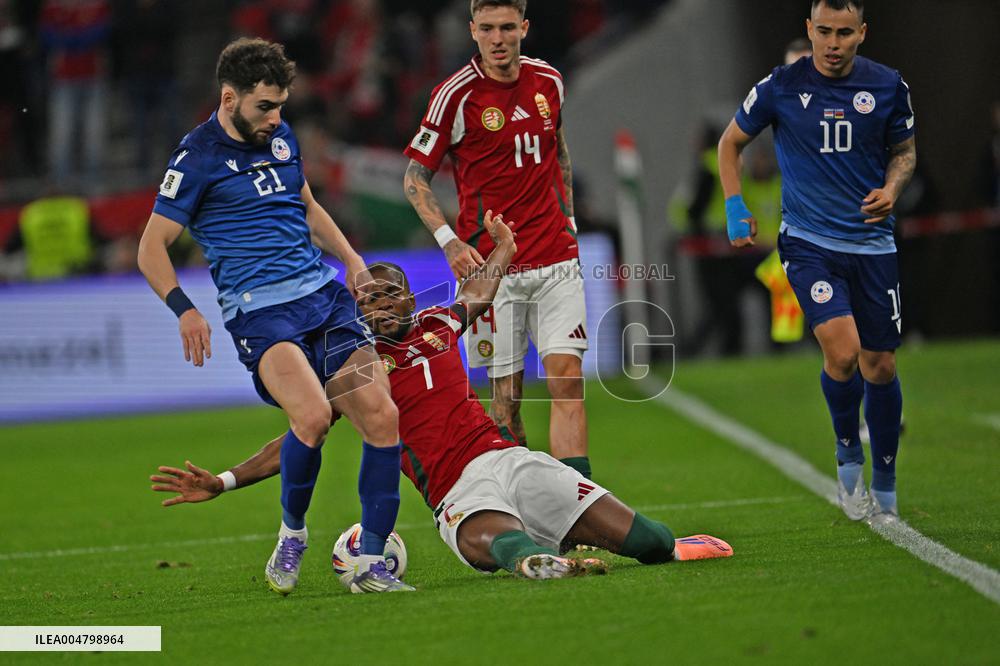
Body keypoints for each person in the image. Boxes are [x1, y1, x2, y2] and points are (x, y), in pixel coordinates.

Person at [150, 210, 734, 580]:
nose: (378, 304)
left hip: (511, 459)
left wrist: (503, 250)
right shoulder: (356, 369)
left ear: (409, 301)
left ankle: (664, 546)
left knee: (652, 543)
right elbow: (299, 435)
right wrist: (224, 482)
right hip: (458, 487)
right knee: (502, 545)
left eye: (389, 294)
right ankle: (540, 563)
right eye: (368, 299)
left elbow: (475, 295)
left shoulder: (436, 325)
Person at [137, 38, 412, 595]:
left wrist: (353, 260)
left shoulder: (281, 138)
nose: (276, 118)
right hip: (261, 314)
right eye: (265, 106)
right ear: (229, 97)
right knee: (311, 418)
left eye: (281, 105)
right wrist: (184, 310)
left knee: (382, 416)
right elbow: (151, 247)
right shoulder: (196, 159)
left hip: (324, 300)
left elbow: (306, 206)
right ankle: (293, 534)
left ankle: (371, 564)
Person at [717, 0, 916, 525]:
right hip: (808, 244)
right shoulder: (781, 85)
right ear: (809, 30)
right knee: (844, 351)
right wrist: (735, 207)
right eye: (823, 31)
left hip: (873, 246)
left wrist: (893, 187)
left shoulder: (888, 85)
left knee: (882, 364)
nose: (832, 43)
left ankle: (887, 482)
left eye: (844, 33)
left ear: (862, 34)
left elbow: (905, 151)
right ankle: (849, 453)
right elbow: (730, 143)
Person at [402, 0, 593, 480]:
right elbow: (413, 179)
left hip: (555, 257)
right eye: (487, 28)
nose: (498, 38)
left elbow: (560, 153)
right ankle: (529, 508)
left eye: (508, 27)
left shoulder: (548, 81)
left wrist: (568, 218)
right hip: (491, 273)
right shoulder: (455, 95)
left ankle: (581, 512)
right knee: (505, 404)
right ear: (472, 31)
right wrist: (448, 241)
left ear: (524, 27)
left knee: (567, 382)